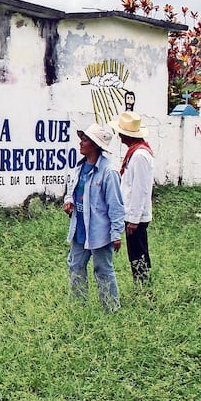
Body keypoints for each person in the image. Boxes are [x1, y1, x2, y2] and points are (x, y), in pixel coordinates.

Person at [63, 123, 125, 312]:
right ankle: (78, 307)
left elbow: (116, 206)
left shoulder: (109, 172)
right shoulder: (79, 167)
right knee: (75, 265)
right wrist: (69, 201)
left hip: (100, 231)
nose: (81, 143)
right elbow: (71, 190)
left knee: (103, 270)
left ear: (96, 145)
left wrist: (116, 233)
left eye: (85, 140)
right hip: (80, 226)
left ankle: (111, 309)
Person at [111, 111, 154, 286]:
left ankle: (143, 287)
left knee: (138, 254)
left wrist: (134, 219)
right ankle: (142, 285)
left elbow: (140, 189)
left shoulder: (139, 156)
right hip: (132, 213)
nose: (119, 136)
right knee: (136, 253)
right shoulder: (135, 153)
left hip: (135, 215)